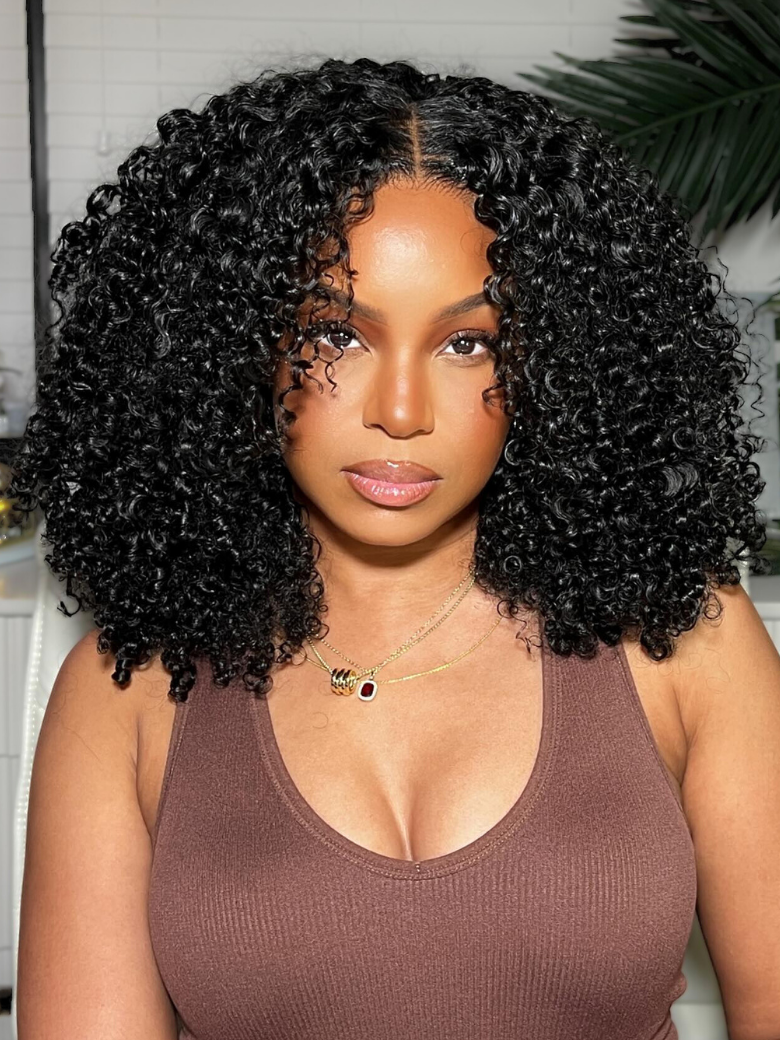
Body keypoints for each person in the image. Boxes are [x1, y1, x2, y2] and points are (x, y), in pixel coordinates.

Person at [9, 56, 780, 1040]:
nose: (402, 411)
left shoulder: (686, 641)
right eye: (338, 334)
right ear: (232, 342)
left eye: (468, 344)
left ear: (558, 360)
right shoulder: (127, 693)